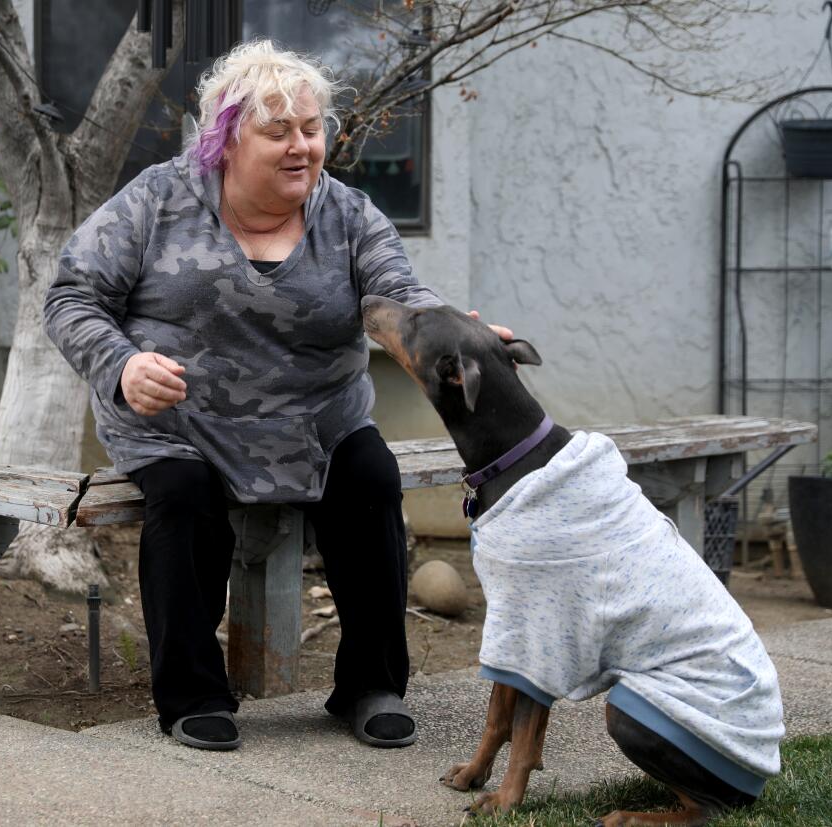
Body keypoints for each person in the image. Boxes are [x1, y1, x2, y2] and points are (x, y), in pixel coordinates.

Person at [45, 39, 505, 751]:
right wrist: (124, 366)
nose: (302, 147)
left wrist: (461, 336)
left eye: (312, 129)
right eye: (279, 131)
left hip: (317, 423)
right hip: (181, 425)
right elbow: (71, 295)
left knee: (372, 476)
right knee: (183, 496)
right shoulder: (157, 200)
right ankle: (194, 694)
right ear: (226, 140)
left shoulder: (348, 216)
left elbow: (402, 299)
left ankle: (372, 683)